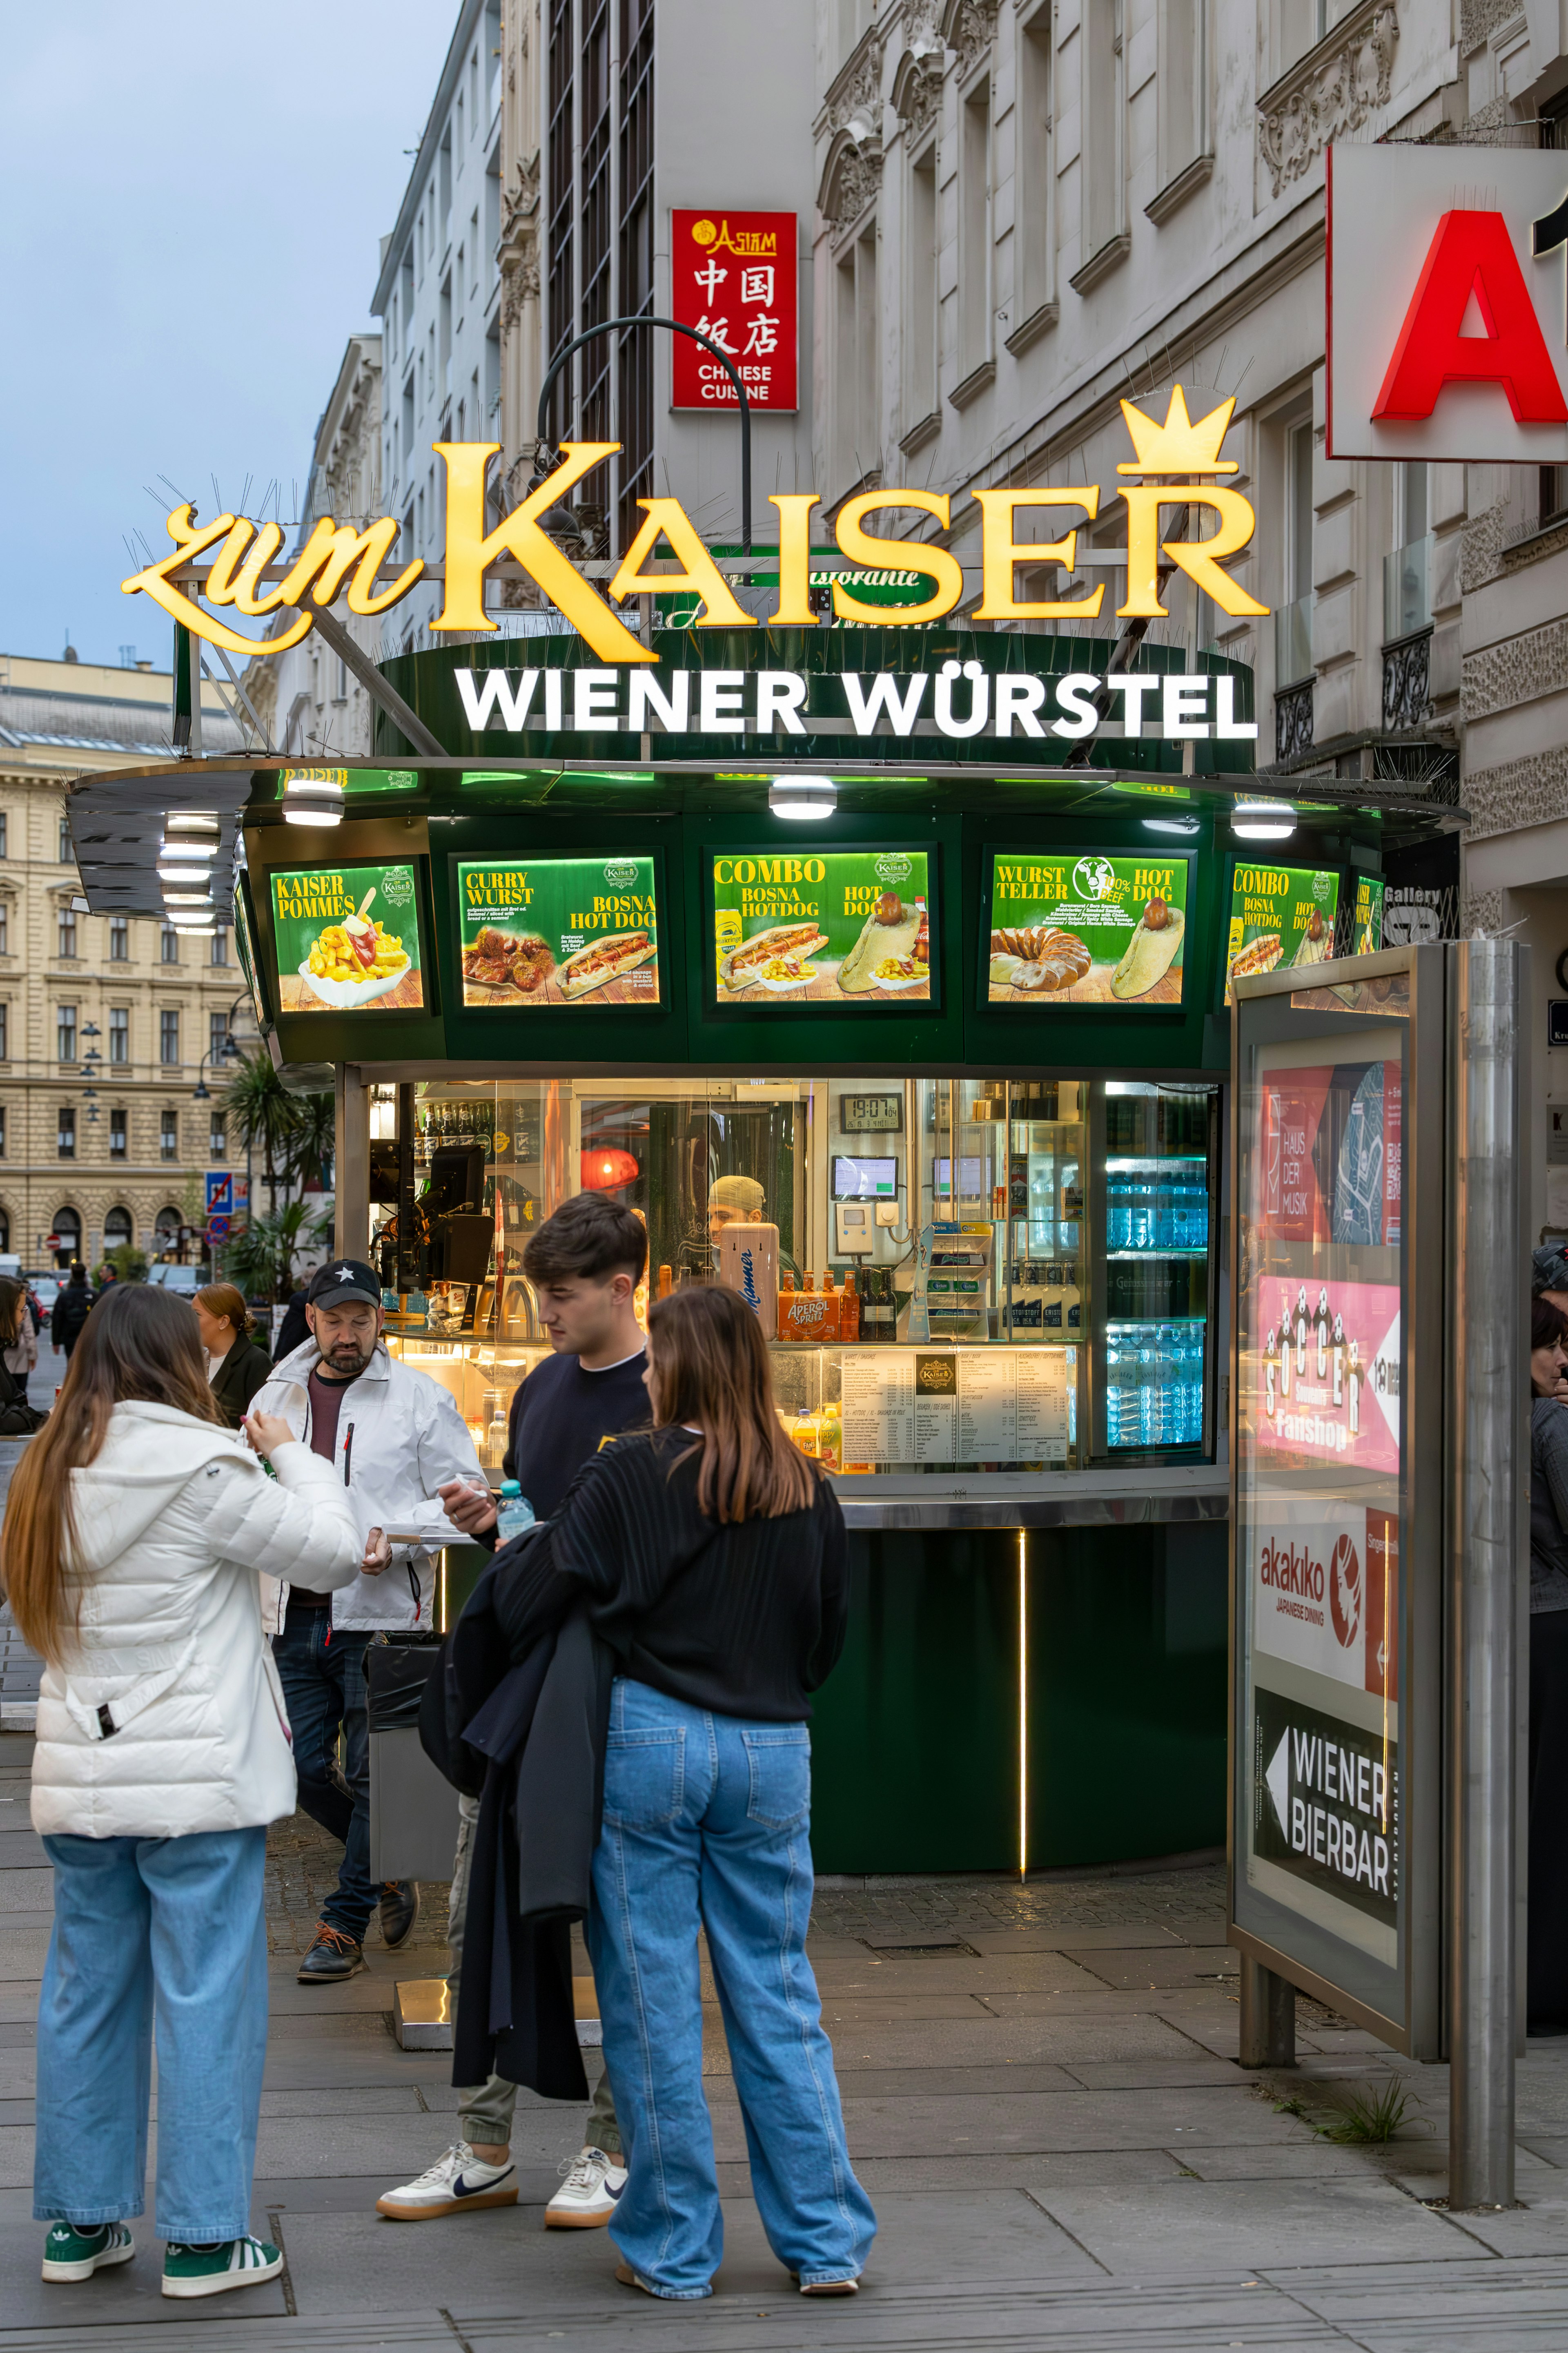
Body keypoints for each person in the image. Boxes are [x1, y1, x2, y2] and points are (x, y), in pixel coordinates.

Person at [474, 1283, 873, 2299]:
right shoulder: (806, 1487)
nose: (645, 1369)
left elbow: (527, 1594)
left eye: (657, 1355)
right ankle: (825, 2242)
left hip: (648, 1744)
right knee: (777, 1994)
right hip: (772, 1751)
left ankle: (675, 2248)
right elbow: (824, 1643)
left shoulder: (628, 1477)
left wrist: (517, 1540)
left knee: (650, 2003)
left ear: (683, 1367)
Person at [1, 1284, 361, 2297]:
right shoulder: (201, 1468)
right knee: (207, 2000)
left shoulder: (46, 1470)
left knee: (83, 1996)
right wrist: (291, 1452)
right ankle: (205, 2238)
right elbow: (328, 1551)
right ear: (176, 1360)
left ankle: (82, 2225)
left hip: (83, 1776)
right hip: (195, 1781)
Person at [379, 1191, 645, 2228]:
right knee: (475, 1912)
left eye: (563, 1294)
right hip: (525, 1689)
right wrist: (492, 1524)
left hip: (624, 1695)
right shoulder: (537, 1390)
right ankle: (485, 2144)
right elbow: (536, 1538)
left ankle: (614, 2148)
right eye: (540, 1290)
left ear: (623, 1287)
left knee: (624, 1925)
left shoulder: (669, 1389)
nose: (544, 1310)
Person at [251, 1258, 483, 1983]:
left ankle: (343, 1922)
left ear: (379, 1321)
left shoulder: (421, 1400)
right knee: (296, 1770)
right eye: (334, 1319)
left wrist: (399, 1532)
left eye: (361, 1319)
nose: (347, 1334)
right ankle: (387, 1865)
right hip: (292, 1611)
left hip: (380, 1613)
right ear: (312, 1319)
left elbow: (466, 1496)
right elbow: (246, 1489)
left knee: (374, 1773)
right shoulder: (273, 1399)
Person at [1529, 1294, 1568, 2032]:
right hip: (1557, 1623)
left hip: (1512, 1630)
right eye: (1553, 1345)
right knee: (1554, 1811)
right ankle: (1547, 1988)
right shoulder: (1552, 1425)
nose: (1563, 1360)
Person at [193, 1283, 275, 1429]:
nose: (190, 1322)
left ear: (223, 1321)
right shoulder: (196, 1361)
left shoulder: (255, 1362)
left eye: (197, 1315)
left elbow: (265, 1425)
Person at [50, 1263, 94, 1361]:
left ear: (72, 1276)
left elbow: (57, 1319)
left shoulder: (64, 1296)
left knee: (72, 1364)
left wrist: (56, 1341)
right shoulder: (93, 1295)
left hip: (69, 1338)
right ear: (85, 1276)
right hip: (88, 1337)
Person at [271, 1284, 309, 1365]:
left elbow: (293, 1330)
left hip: (296, 1356)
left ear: (302, 1282)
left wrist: (281, 1357)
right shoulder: (324, 1298)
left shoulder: (299, 1299)